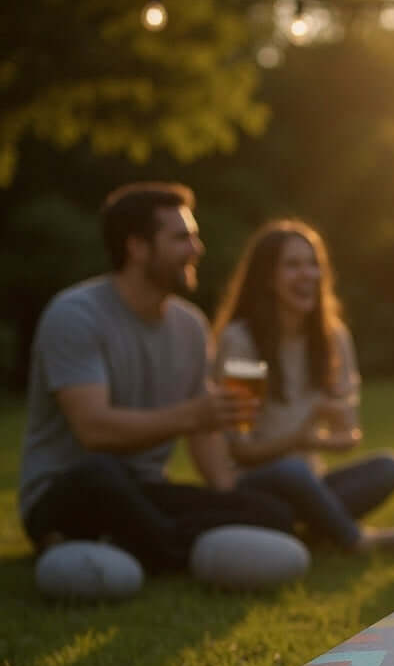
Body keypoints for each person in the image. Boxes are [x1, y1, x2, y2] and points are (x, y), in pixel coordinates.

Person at [18, 182, 295, 573]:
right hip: (68, 490)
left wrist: (228, 496)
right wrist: (192, 415)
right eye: (182, 238)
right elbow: (94, 430)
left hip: (144, 491)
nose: (197, 249)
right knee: (101, 471)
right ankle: (166, 549)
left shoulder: (190, 326)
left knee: (270, 513)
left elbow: (203, 431)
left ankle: (140, 544)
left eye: (194, 237)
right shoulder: (75, 315)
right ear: (137, 247)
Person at [211, 219, 394, 553]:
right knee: (292, 470)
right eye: (293, 265)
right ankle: (356, 540)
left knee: (389, 466)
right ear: (267, 278)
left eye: (313, 264)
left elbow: (349, 437)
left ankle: (314, 528)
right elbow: (240, 450)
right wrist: (301, 435)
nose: (308, 274)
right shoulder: (242, 341)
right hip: (258, 484)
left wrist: (323, 435)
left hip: (313, 481)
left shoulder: (333, 338)